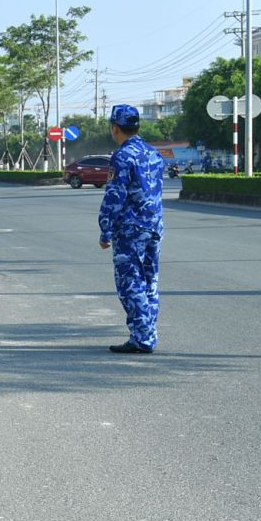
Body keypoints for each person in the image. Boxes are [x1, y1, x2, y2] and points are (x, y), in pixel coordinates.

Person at [98, 104, 166, 354]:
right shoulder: (154, 153)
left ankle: (143, 337)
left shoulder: (122, 156)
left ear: (115, 128)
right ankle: (146, 333)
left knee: (130, 283)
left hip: (130, 229)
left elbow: (114, 197)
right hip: (154, 226)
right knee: (150, 280)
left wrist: (105, 230)